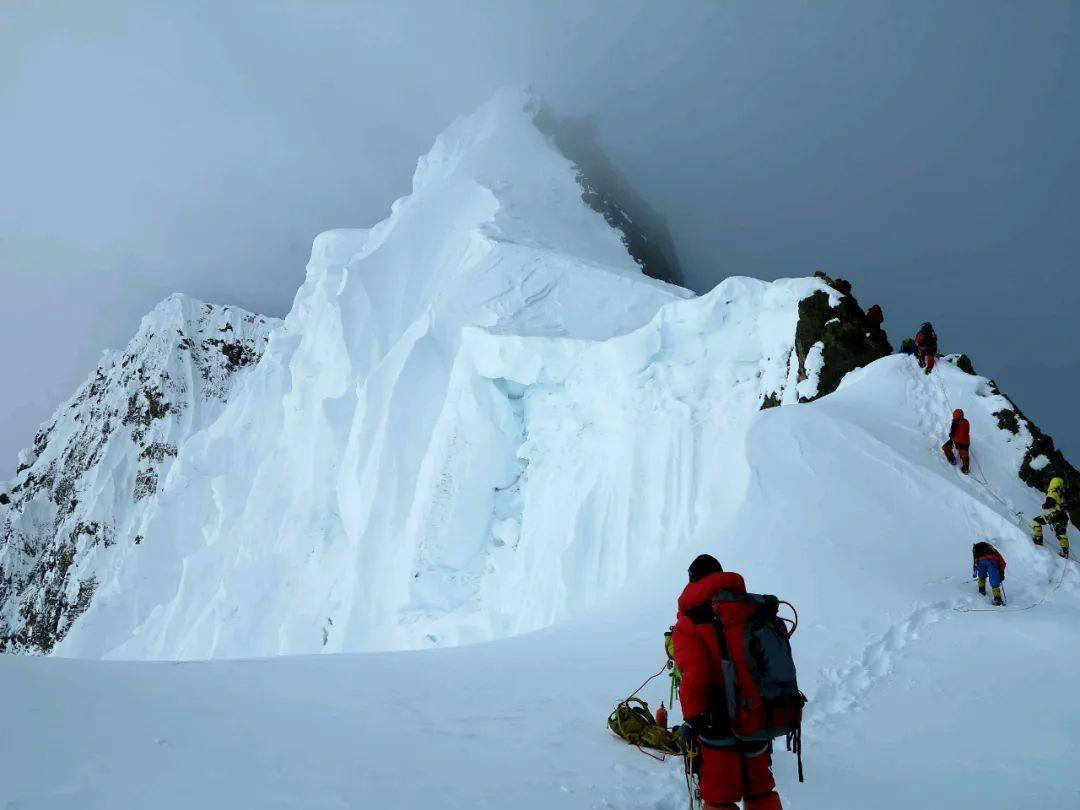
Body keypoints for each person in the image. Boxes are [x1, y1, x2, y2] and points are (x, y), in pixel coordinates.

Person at [672, 554, 783, 810]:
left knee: (720, 797)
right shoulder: (748, 608)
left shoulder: (691, 619)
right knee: (760, 790)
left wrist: (693, 720)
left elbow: (696, 675)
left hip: (717, 720)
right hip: (755, 713)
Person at [1032, 476, 1071, 558]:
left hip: (1055, 515)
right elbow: (1065, 506)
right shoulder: (1061, 494)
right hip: (1063, 516)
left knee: (1036, 521)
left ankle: (1038, 539)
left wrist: (1044, 506)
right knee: (1061, 533)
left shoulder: (1052, 492)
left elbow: (1050, 504)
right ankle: (1065, 552)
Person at [972, 541, 1006, 606]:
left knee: (981, 576)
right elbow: (1002, 562)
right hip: (992, 562)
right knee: (994, 579)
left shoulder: (977, 550)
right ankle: (997, 599)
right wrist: (1001, 572)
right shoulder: (993, 551)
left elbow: (975, 562)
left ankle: (981, 591)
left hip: (980, 561)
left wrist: (975, 572)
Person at [942, 408, 971, 474]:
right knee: (964, 454)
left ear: (955, 415)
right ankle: (966, 469)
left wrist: (951, 436)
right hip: (966, 442)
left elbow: (952, 435)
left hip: (957, 442)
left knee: (945, 447)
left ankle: (952, 460)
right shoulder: (966, 421)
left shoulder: (955, 423)